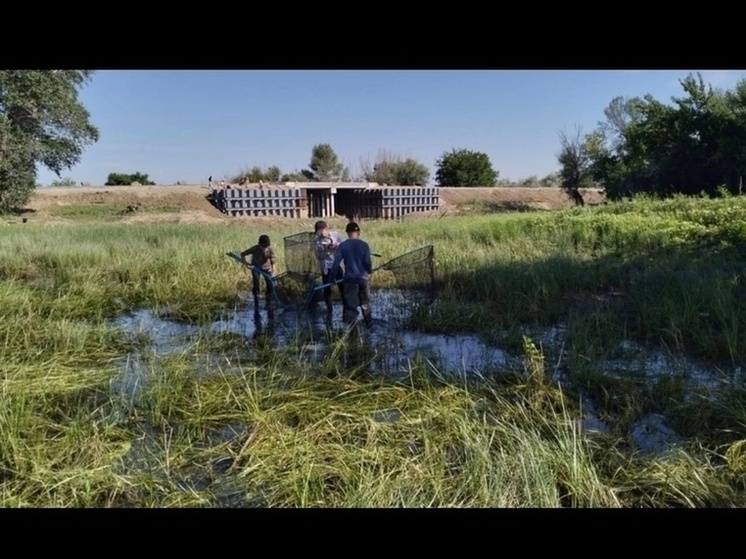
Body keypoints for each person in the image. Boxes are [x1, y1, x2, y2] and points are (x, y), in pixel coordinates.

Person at [329, 221, 373, 326]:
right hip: (363, 278)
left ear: (347, 233)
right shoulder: (364, 245)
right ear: (359, 233)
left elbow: (336, 264)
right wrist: (370, 270)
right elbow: (367, 262)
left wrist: (331, 279)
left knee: (351, 306)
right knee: (365, 303)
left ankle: (351, 332)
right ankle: (369, 325)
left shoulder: (343, 246)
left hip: (349, 279)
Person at [313, 220, 344, 311]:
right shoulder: (316, 240)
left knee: (341, 286)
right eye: (318, 233)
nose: (320, 235)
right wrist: (326, 250)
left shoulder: (335, 235)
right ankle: (329, 308)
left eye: (321, 232)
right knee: (327, 288)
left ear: (326, 229)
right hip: (326, 268)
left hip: (337, 265)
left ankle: (346, 306)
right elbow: (318, 256)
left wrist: (335, 246)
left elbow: (344, 244)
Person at [240, 234, 276, 306]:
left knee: (270, 283)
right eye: (263, 247)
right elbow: (242, 254)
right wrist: (247, 264)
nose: (264, 249)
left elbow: (273, 262)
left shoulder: (270, 250)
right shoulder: (254, 249)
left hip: (266, 268)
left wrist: (273, 272)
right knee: (256, 281)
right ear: (259, 245)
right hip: (255, 267)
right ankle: (256, 297)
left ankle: (268, 298)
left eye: (266, 247)